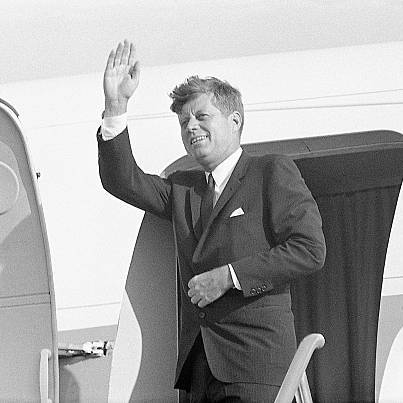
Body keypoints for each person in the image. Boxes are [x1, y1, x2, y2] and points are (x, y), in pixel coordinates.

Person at [97, 40, 326, 402]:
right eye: (184, 122)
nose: (191, 127)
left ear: (235, 120)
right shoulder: (183, 188)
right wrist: (116, 107)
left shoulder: (271, 172)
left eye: (202, 117)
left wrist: (229, 277)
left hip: (255, 366)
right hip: (200, 372)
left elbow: (309, 250)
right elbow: (122, 181)